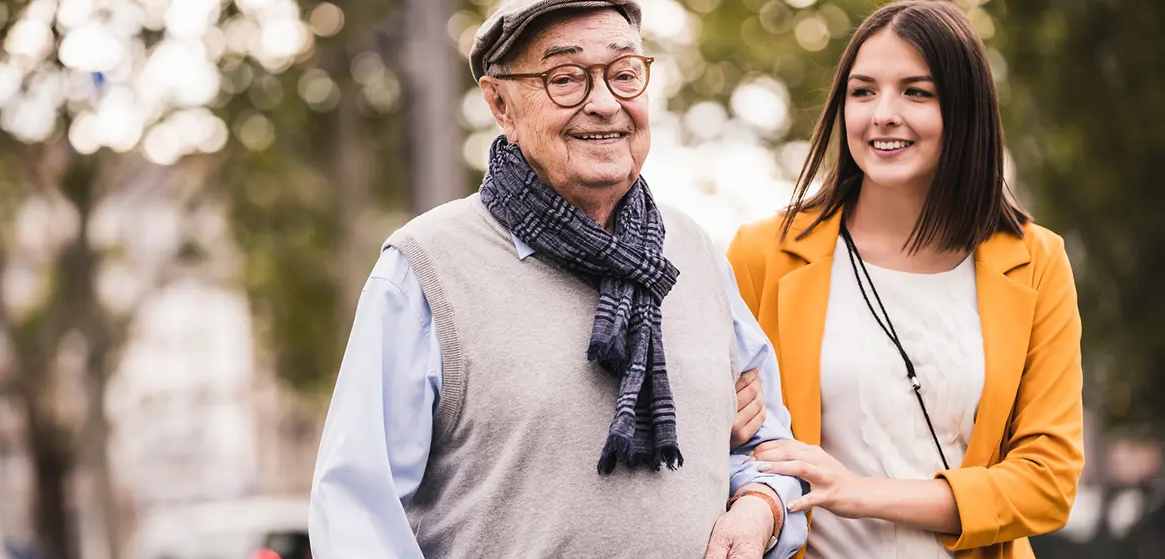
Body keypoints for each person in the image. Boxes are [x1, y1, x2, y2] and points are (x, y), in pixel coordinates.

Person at [307, 1, 809, 557]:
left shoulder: (694, 254)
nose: (604, 103)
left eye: (624, 75)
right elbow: (357, 515)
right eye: (565, 78)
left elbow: (770, 446)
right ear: (500, 105)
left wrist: (760, 506)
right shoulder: (425, 269)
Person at [724, 1, 1084, 558]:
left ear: (964, 112)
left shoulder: (1036, 262)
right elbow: (726, 437)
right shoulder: (762, 254)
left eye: (916, 92)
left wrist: (860, 493)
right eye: (863, 91)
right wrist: (718, 422)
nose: (882, 114)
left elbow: (1048, 483)